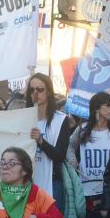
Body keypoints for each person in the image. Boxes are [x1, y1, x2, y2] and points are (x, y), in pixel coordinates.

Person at [26, 73, 69, 201]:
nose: (35, 93)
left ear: (49, 92)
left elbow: (59, 156)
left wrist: (41, 141)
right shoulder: (23, 118)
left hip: (51, 182)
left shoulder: (60, 120)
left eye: (40, 89)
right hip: (26, 183)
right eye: (31, 90)